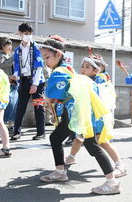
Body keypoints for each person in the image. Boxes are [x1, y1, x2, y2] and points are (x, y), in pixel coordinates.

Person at [39, 39, 121, 194]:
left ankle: (112, 182)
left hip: (77, 113)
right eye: (43, 58)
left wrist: (46, 100)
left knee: (91, 145)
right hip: (75, 112)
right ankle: (60, 172)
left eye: (47, 57)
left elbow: (50, 96)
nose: (45, 61)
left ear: (58, 54)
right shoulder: (68, 69)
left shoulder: (58, 72)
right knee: (56, 138)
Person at [65, 56, 127, 178]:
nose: (83, 69)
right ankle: (71, 157)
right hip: (87, 117)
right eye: (82, 66)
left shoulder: (98, 81)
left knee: (102, 142)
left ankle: (120, 165)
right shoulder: (83, 80)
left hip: (97, 119)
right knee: (79, 137)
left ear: (95, 71)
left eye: (87, 67)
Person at [10, 22, 46, 141]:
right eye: (26, 33)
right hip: (24, 80)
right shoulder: (17, 50)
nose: (28, 35)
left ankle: (41, 132)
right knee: (20, 107)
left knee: (38, 106)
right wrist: (15, 76)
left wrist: (35, 84)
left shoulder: (36, 47)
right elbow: (16, 66)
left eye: (30, 33)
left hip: (37, 81)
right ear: (20, 33)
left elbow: (39, 66)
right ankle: (16, 132)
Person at [0, 38, 18, 127]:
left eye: (11, 45)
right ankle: (2, 122)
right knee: (9, 103)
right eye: (8, 45)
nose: (10, 47)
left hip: (15, 83)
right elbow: (3, 64)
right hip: (4, 83)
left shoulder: (12, 56)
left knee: (15, 103)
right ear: (2, 46)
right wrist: (14, 56)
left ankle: (11, 123)